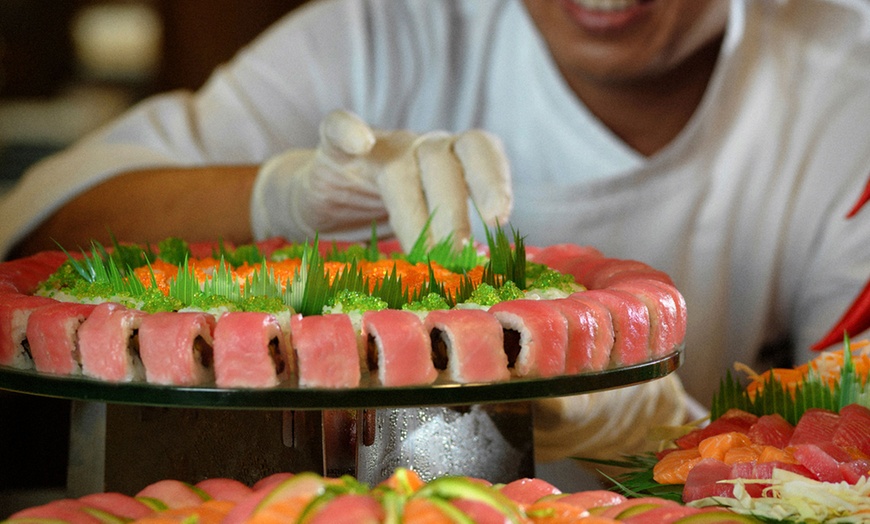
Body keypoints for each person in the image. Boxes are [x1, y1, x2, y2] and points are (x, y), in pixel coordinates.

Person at [2, 0, 870, 482]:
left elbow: (850, 442)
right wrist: (279, 197)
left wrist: (661, 424)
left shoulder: (841, 91)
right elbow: (37, 229)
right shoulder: (388, 31)